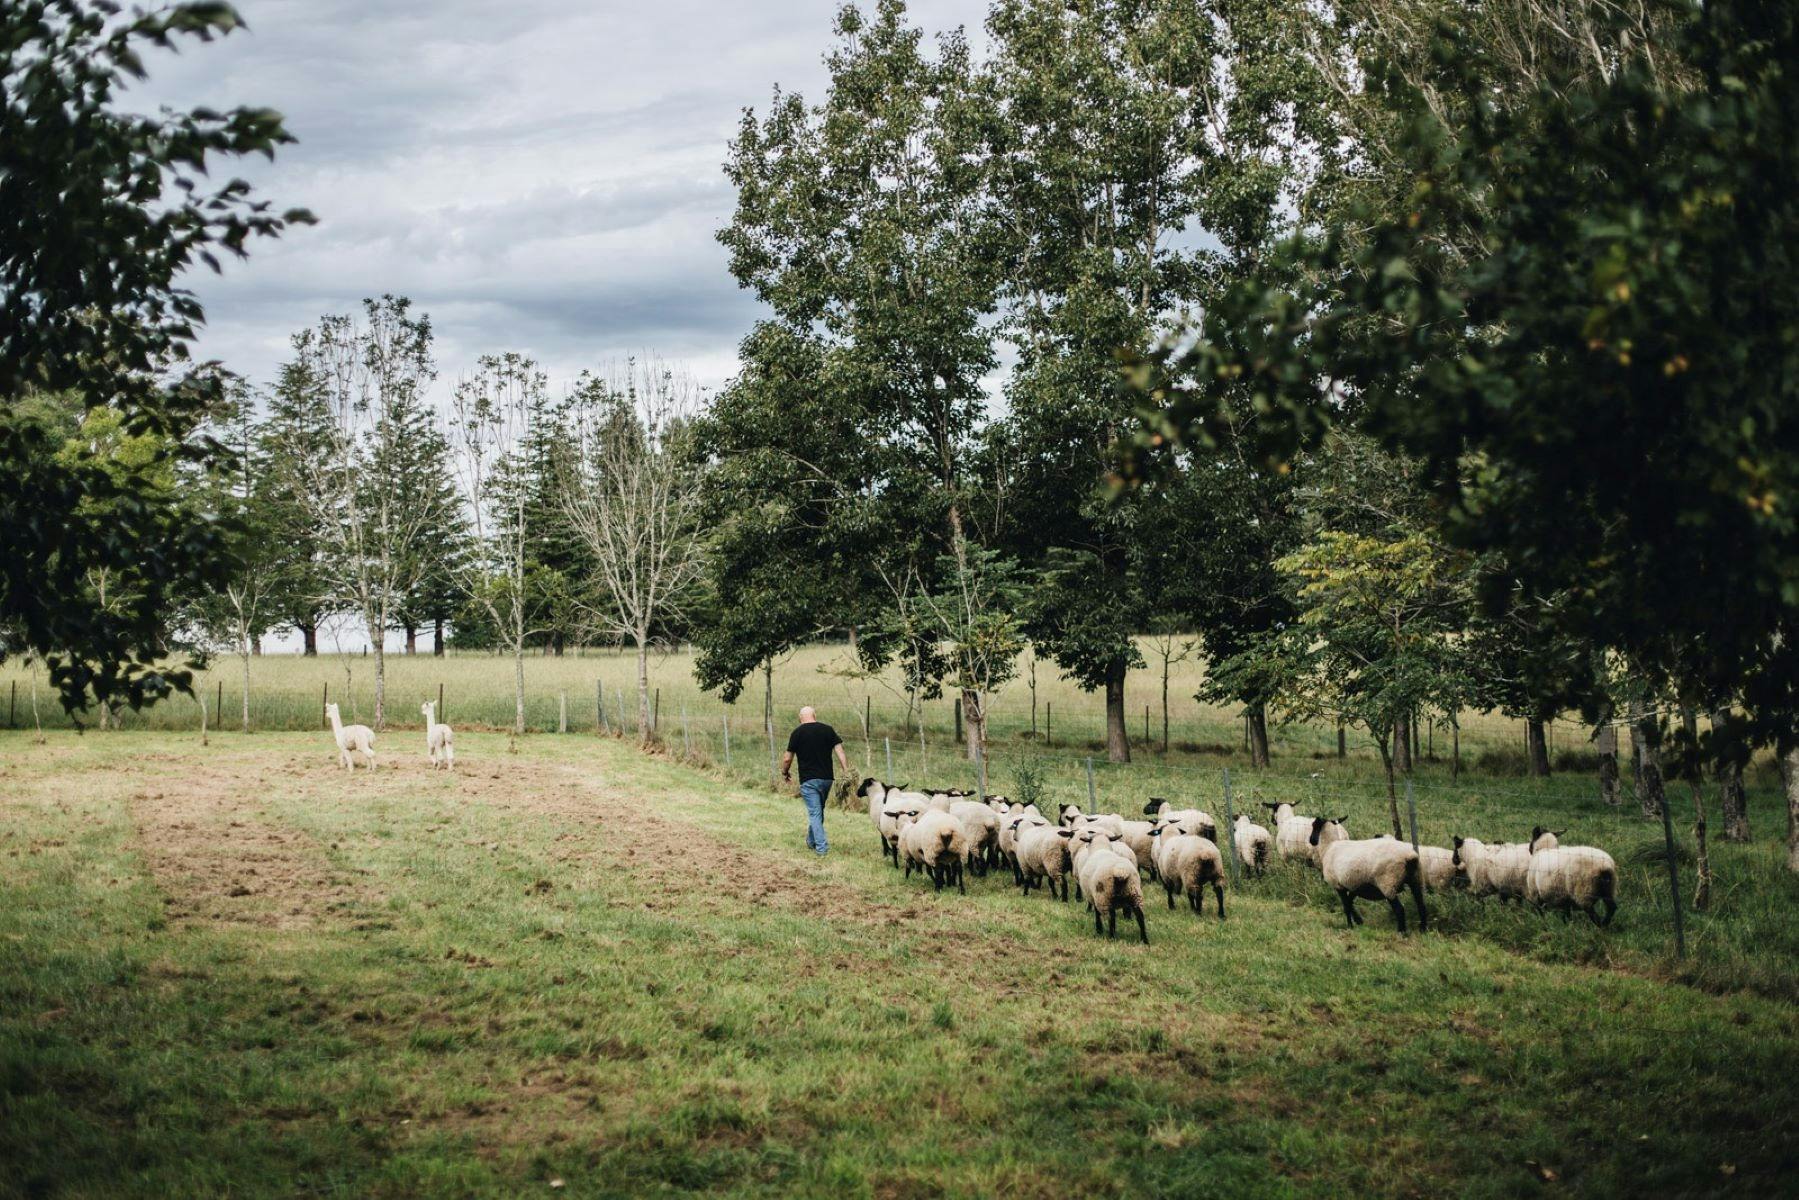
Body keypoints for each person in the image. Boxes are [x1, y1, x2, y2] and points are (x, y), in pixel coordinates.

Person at [780, 706, 849, 856]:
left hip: (809, 780)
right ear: (814, 716)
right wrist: (846, 772)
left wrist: (785, 772)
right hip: (827, 780)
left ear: (800, 718)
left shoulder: (797, 733)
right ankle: (811, 841)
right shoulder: (828, 730)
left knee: (815, 813)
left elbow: (787, 758)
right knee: (818, 812)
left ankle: (822, 849)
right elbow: (840, 751)